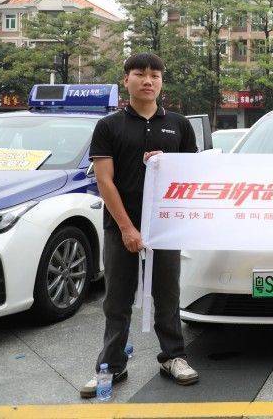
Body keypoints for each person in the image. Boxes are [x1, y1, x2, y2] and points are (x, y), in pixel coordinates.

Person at [80, 53, 200, 398]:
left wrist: (167, 163)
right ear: (126, 80)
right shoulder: (109, 126)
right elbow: (105, 181)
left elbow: (191, 174)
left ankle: (173, 357)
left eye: (155, 75)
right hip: (121, 227)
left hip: (165, 227)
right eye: (140, 74)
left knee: (168, 294)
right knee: (116, 300)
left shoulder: (178, 124)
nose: (148, 81)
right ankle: (111, 365)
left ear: (161, 82)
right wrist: (127, 228)